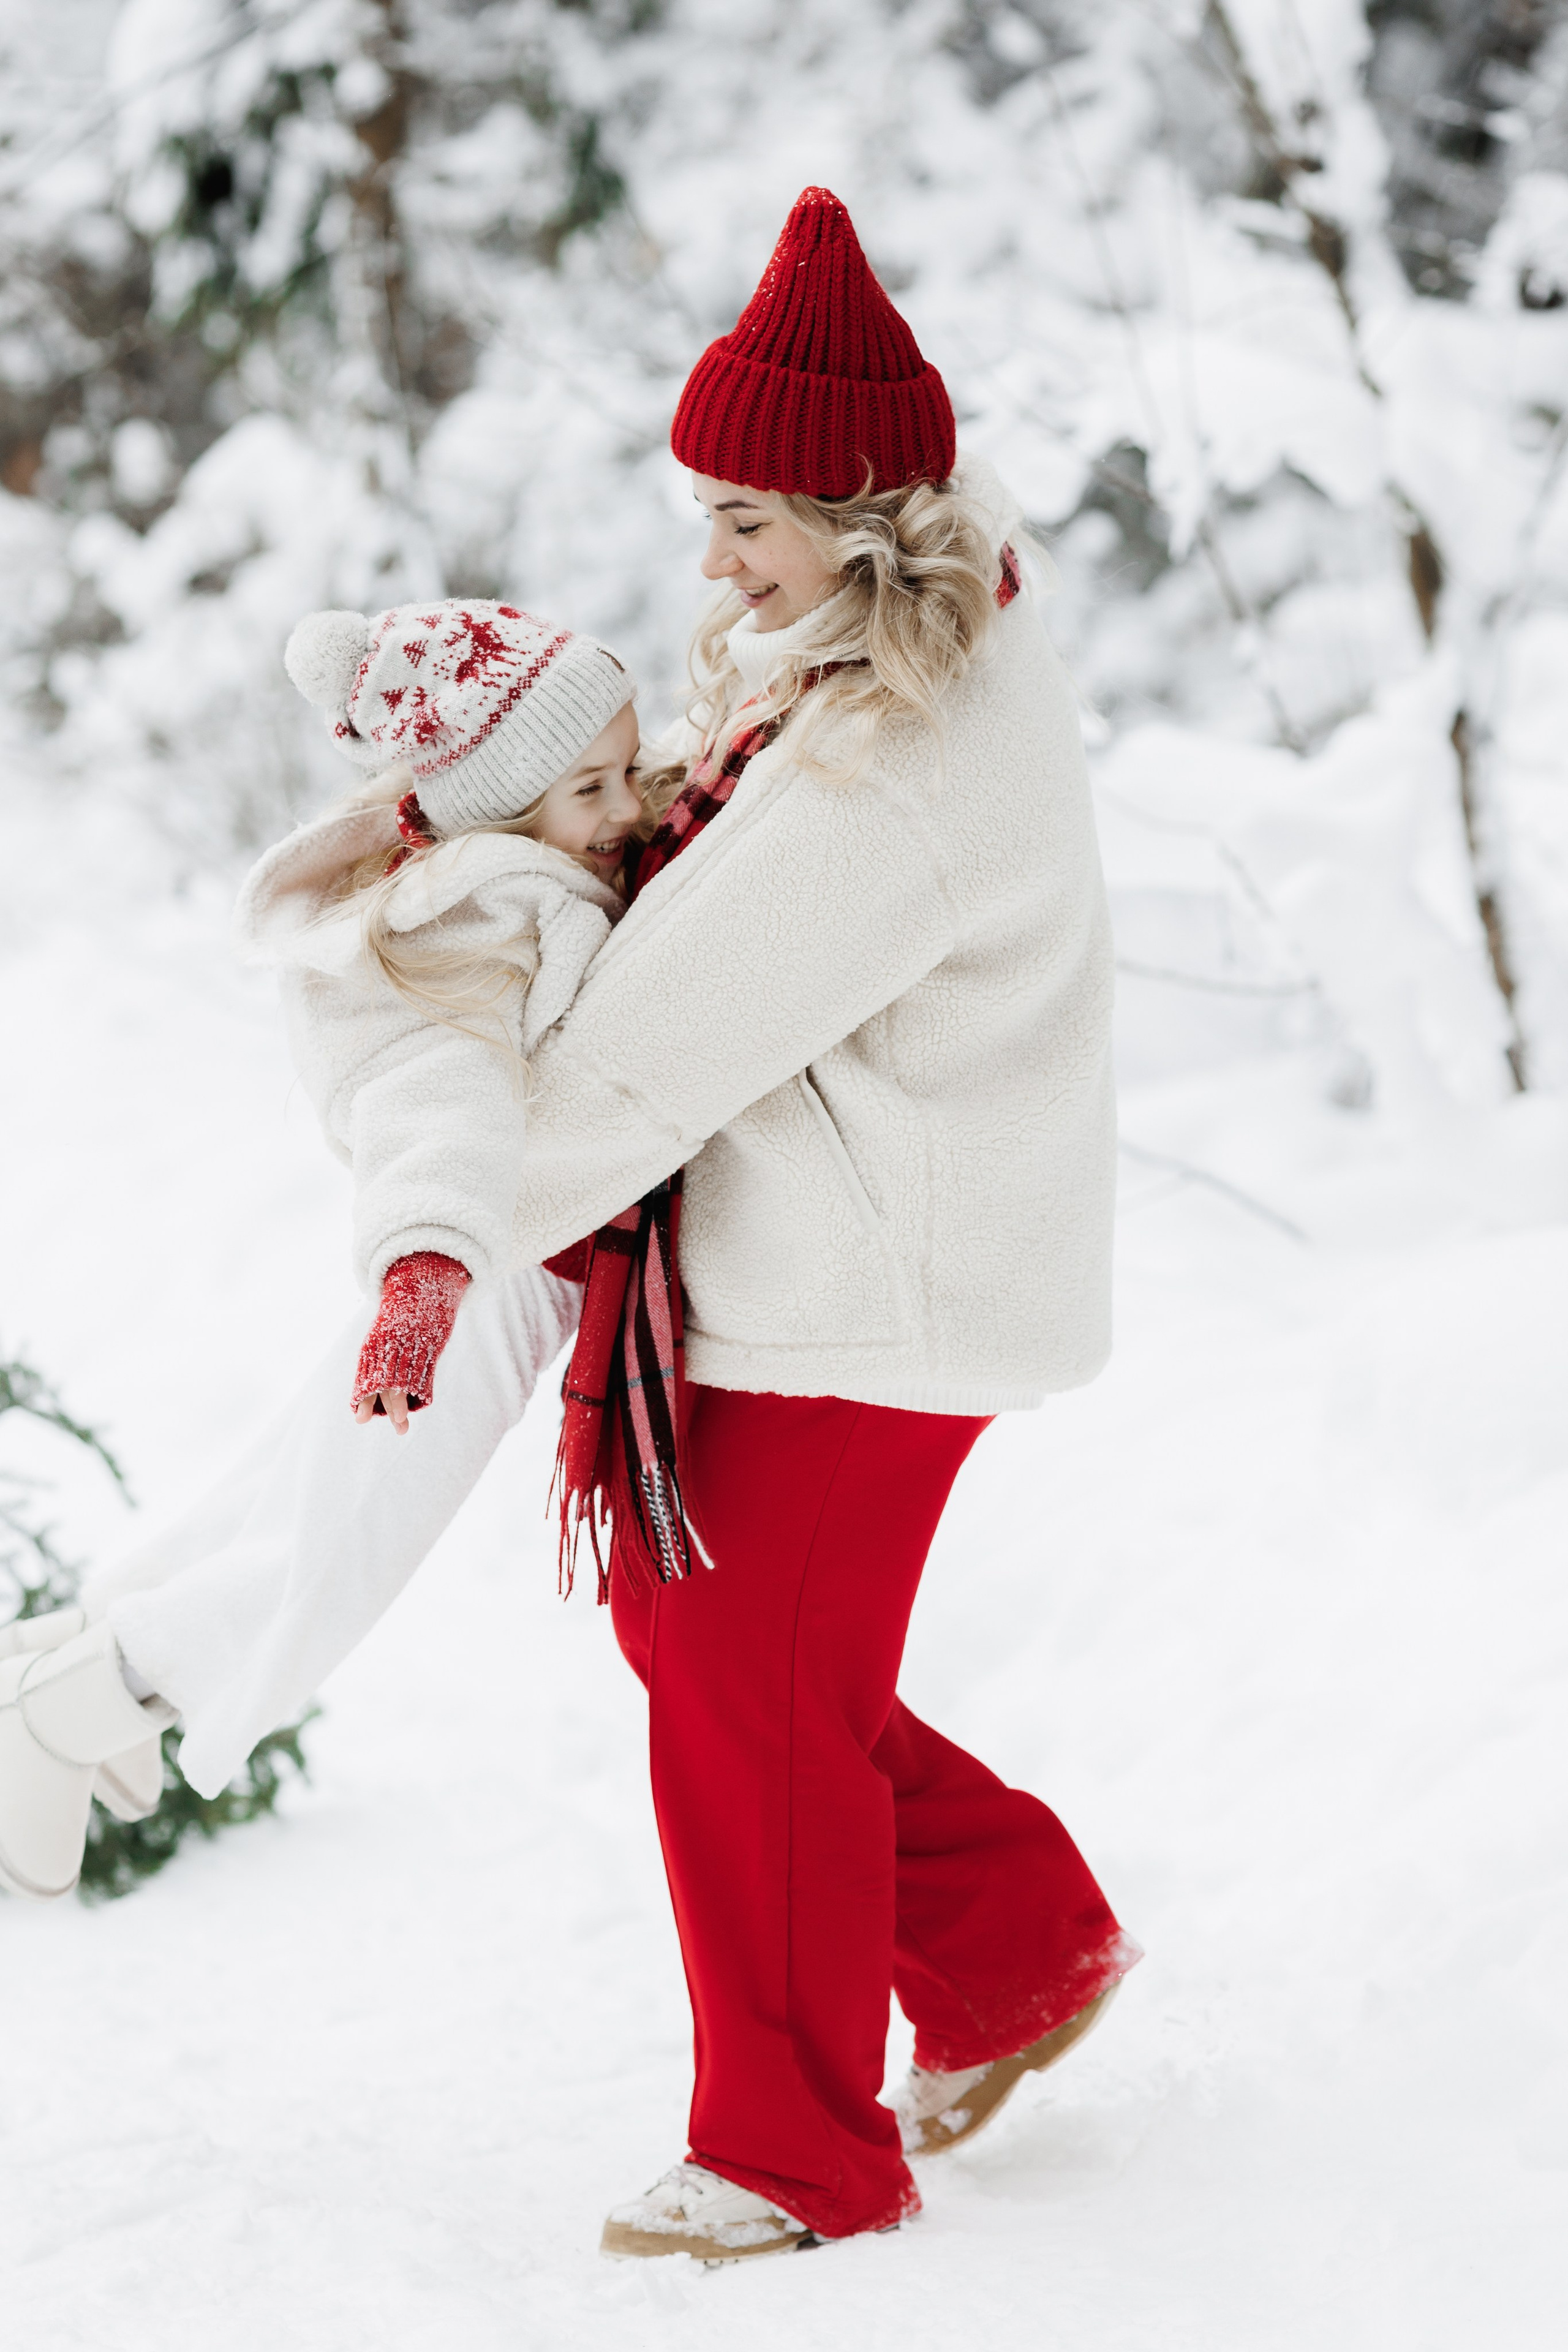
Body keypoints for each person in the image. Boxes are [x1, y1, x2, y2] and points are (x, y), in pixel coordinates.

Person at [2, 183, 1139, 2267]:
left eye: (745, 525)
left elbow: (642, 1065)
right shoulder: (875, 652)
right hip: (852, 1250)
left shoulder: (892, 759)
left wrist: (439, 1244)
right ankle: (1014, 1946)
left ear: (858, 509)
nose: (710, 564)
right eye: (705, 519)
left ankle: (793, 2151)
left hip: (878, 1280)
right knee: (710, 1640)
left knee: (741, 1669)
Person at [0, 599, 643, 1878]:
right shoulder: (481, 910)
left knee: (293, 1481)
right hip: (478, 1265)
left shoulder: (516, 858)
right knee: (352, 1528)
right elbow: (439, 1096)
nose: (626, 802)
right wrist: (423, 1278)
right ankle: (94, 1700)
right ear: (507, 806)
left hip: (483, 1252)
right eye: (593, 785)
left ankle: (83, 1655)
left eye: (629, 767)